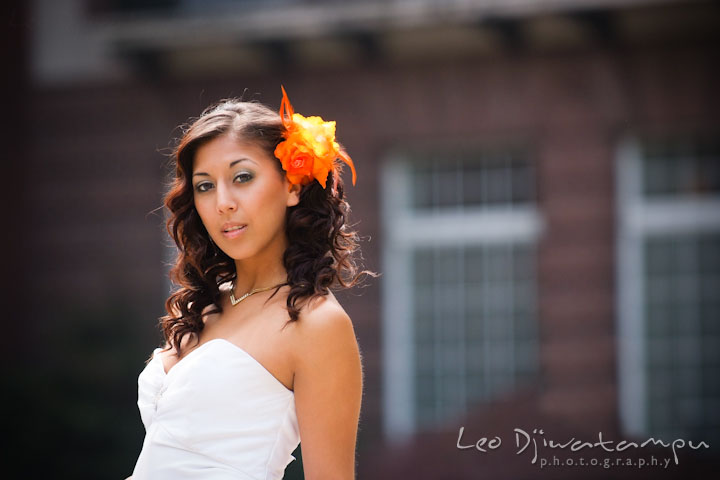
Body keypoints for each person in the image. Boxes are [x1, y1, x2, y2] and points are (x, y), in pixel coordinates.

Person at [128, 86, 375, 479]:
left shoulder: (317, 324)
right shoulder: (204, 307)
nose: (222, 201)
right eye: (204, 185)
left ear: (292, 186)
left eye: (242, 177)